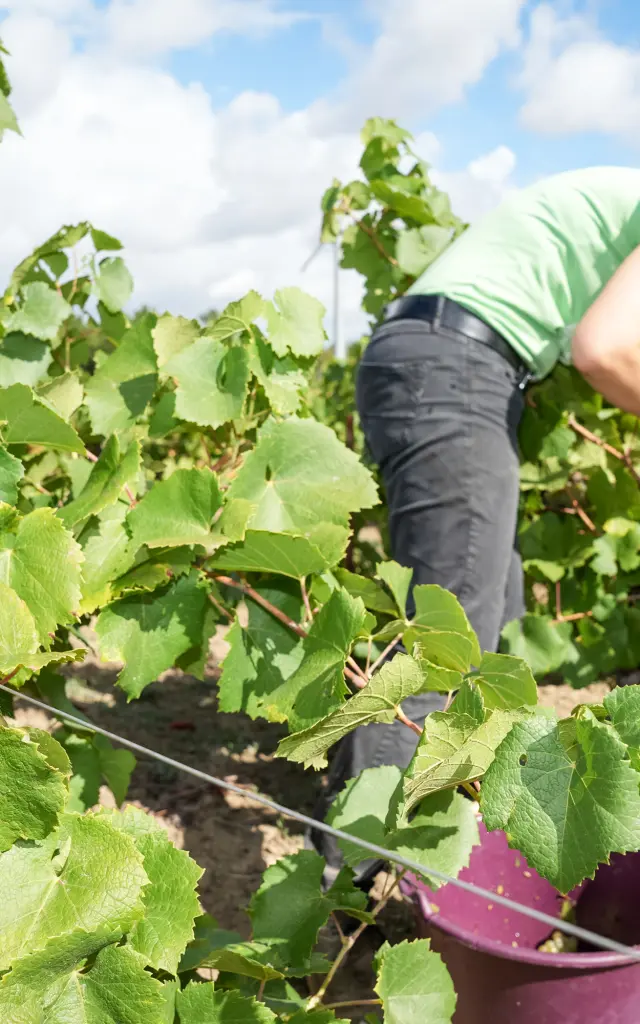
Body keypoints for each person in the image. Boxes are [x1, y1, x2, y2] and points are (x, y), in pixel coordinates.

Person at [309, 165, 640, 890]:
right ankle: (352, 893)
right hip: (456, 368)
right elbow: (605, 349)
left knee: (488, 624)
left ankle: (449, 847)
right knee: (445, 656)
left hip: (440, 363)